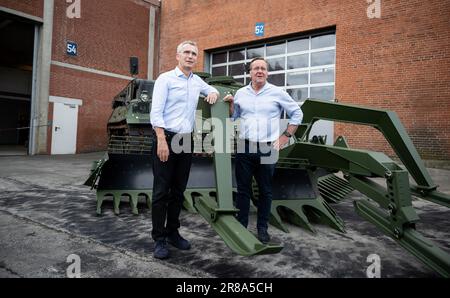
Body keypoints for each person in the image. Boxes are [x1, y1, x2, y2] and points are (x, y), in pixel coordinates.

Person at [150, 40, 219, 259]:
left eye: (194, 54)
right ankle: (159, 239)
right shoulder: (165, 79)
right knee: (161, 191)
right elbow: (156, 112)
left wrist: (215, 94)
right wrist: (161, 139)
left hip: (186, 140)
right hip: (167, 139)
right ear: (178, 56)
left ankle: (173, 232)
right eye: (186, 53)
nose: (190, 56)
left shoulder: (197, 81)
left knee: (179, 191)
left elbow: (212, 90)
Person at [224, 57, 302, 243]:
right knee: (242, 189)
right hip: (245, 146)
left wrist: (285, 136)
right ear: (249, 72)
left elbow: (297, 113)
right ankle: (241, 227)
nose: (259, 71)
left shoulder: (277, 93)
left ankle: (262, 228)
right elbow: (234, 117)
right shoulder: (241, 93)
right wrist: (231, 104)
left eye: (263, 69)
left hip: (268, 148)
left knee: (265, 190)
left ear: (267, 73)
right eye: (256, 68)